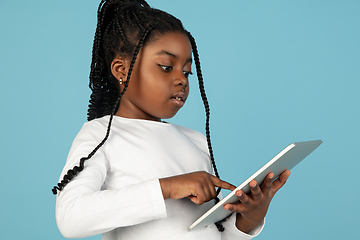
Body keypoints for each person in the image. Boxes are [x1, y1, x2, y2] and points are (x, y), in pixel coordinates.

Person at [53, 1, 291, 239]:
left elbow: (211, 233)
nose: (182, 80)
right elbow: (70, 217)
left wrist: (247, 221)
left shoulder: (195, 140)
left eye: (186, 71)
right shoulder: (101, 135)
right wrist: (167, 187)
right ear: (121, 70)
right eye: (166, 67)